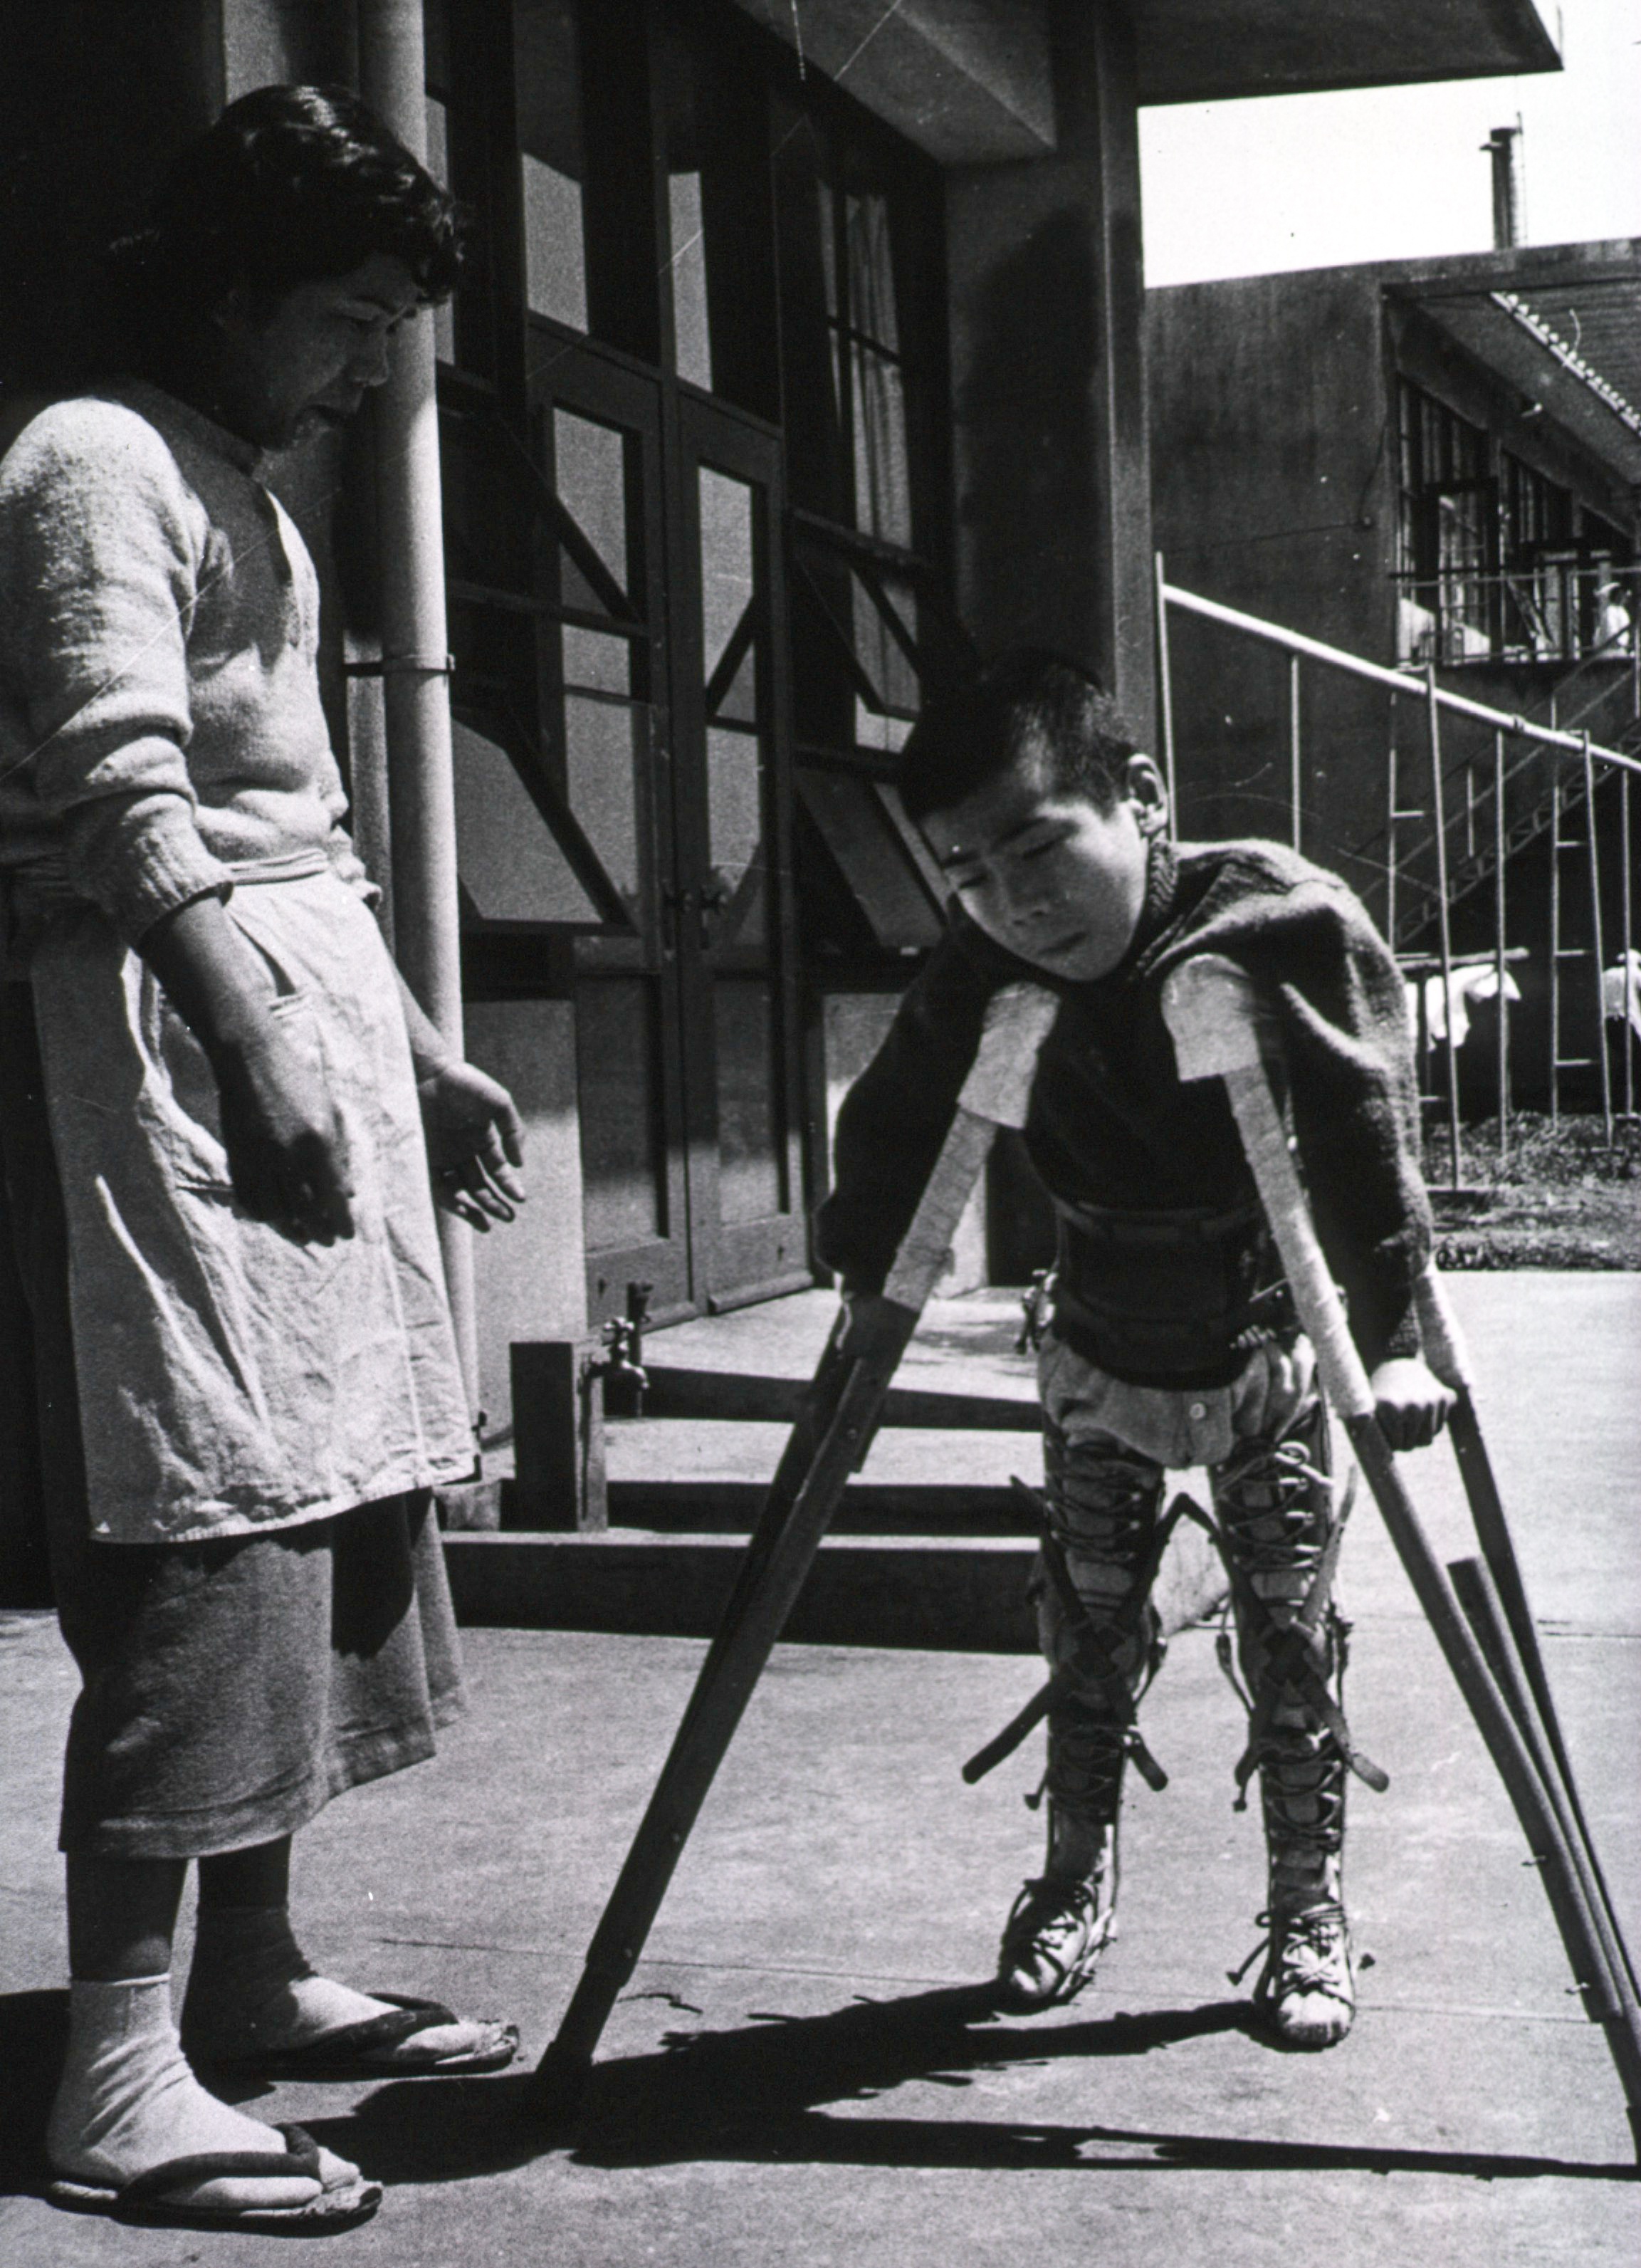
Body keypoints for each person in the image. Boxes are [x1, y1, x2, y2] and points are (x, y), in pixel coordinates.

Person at [0, 88, 528, 2234]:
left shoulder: (261, 503)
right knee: (206, 1514)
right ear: (226, 286)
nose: (361, 370)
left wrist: (413, 1052)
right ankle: (115, 2071)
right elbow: (124, 788)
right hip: (157, 1037)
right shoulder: (91, 460)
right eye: (337, 318)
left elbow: (300, 817)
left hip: (300, 1015)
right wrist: (249, 1045)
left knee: (325, 1500)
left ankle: (251, 1973)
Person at [817, 651, 1453, 2052]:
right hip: (1099, 1338)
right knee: (1091, 1631)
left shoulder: (1278, 919)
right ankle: (1070, 1884)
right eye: (967, 872)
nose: (1010, 900)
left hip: (1262, 1338)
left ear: (1142, 799)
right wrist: (868, 1279)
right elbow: (903, 1111)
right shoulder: (985, 967)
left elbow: (1358, 1132)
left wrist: (1396, 1340)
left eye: (1039, 848)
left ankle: (1307, 1911)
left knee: (1289, 1641)